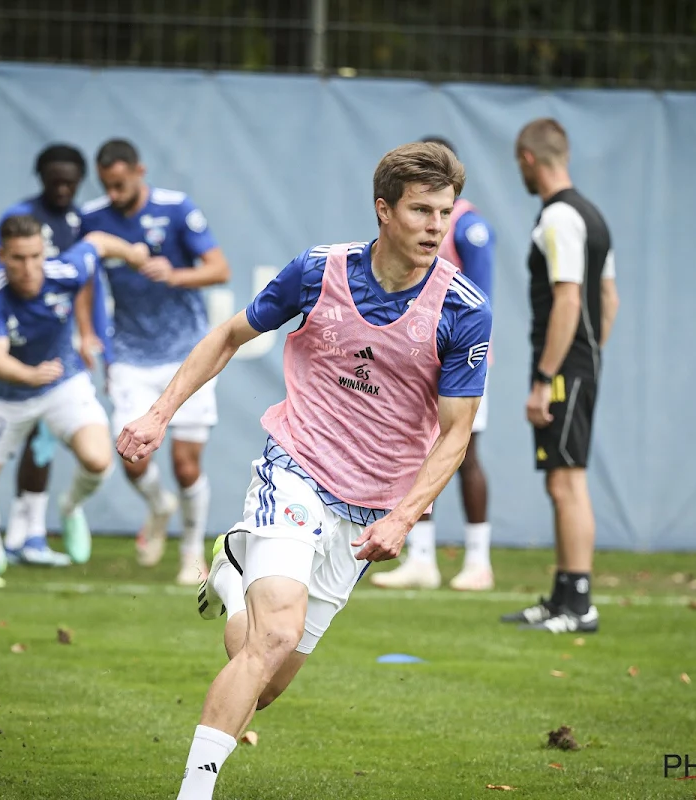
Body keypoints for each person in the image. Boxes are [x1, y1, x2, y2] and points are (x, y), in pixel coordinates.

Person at [116, 142, 491, 800]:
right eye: (422, 210)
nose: (437, 226)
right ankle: (193, 793)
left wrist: (403, 517)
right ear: (384, 210)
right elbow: (230, 336)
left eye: (446, 212)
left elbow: (456, 435)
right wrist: (158, 415)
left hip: (370, 509)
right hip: (295, 467)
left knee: (267, 677)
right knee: (277, 633)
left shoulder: (464, 309)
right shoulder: (319, 272)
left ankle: (233, 578)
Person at [0, 215, 147, 590]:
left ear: (44, 252)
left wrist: (134, 254)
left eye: (34, 257)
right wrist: (30, 375)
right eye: (18, 259)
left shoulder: (65, 271)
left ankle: (70, 506)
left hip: (63, 385)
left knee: (98, 459)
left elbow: (98, 242)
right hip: (6, 399)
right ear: (2, 255)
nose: (28, 268)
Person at [78, 138, 231, 586]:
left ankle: (190, 551)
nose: (115, 193)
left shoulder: (177, 208)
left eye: (121, 184)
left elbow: (220, 269)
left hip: (187, 353)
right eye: (107, 185)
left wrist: (175, 274)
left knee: (186, 465)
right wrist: (87, 331)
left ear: (139, 171)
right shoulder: (93, 219)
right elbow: (86, 279)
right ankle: (159, 506)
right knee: (131, 457)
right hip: (128, 354)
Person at [499, 118, 619, 634]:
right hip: (578, 364)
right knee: (560, 480)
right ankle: (563, 596)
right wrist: (591, 357)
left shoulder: (558, 218)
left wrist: (548, 376)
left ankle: (580, 604)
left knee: (568, 481)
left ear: (528, 159)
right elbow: (609, 300)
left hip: (563, 367)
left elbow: (570, 299)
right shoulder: (592, 216)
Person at [370, 134, 498, 592]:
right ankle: (421, 557)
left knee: (464, 452)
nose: (432, 221)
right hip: (414, 356)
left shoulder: (468, 226)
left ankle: (478, 560)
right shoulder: (413, 219)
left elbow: (479, 299)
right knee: (416, 452)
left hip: (461, 357)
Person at [0, 143, 110, 567]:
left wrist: (86, 332)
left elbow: (82, 277)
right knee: (29, 441)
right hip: (25, 346)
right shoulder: (19, 222)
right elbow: (3, 283)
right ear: (40, 178)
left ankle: (30, 532)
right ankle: (23, 534)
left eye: (69, 181)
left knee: (48, 441)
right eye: (54, 180)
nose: (62, 188)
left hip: (61, 349)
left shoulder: (81, 219)